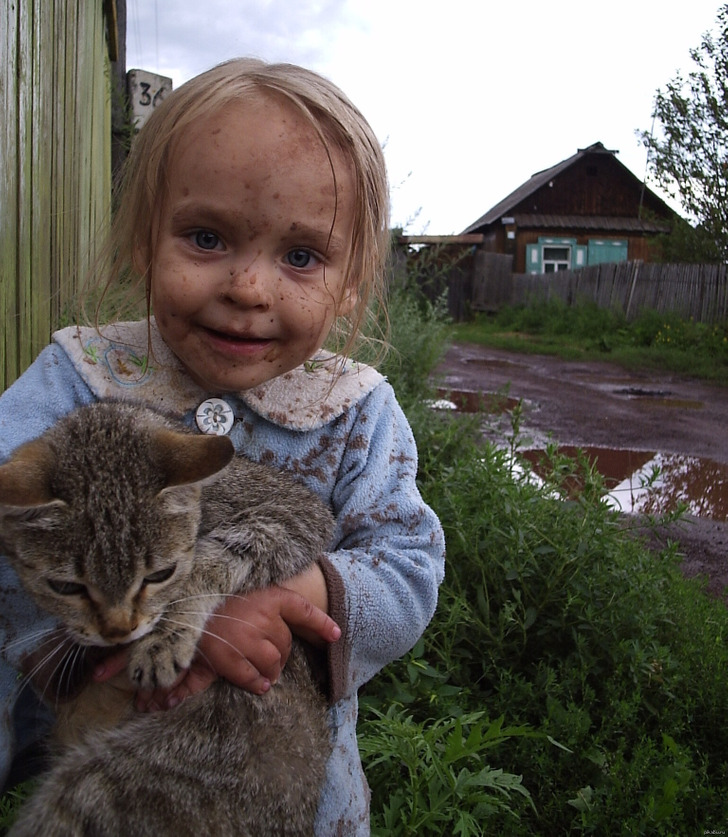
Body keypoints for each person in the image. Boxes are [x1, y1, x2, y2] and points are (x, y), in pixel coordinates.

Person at [0, 58, 445, 833]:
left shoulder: (355, 414)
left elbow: (408, 569)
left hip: (278, 789)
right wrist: (72, 653)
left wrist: (286, 598)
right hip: (98, 770)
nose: (249, 287)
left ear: (349, 285)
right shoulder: (75, 378)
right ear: (145, 241)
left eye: (301, 257)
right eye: (206, 237)